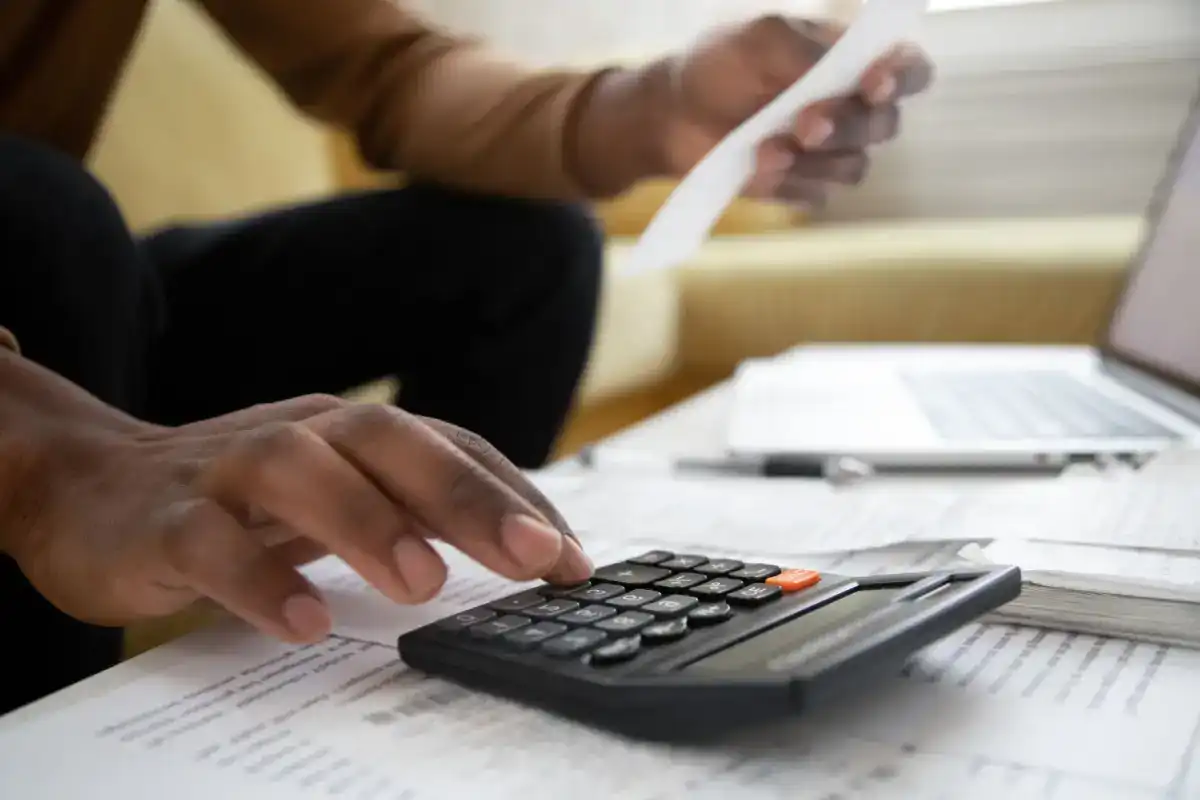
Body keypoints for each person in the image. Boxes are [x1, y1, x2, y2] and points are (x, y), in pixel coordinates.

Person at [0, 1, 934, 715]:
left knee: (531, 243)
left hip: (100, 299)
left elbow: (388, 69)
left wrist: (656, 107)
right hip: (37, 297)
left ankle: (463, 624)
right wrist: (32, 454)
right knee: (43, 216)